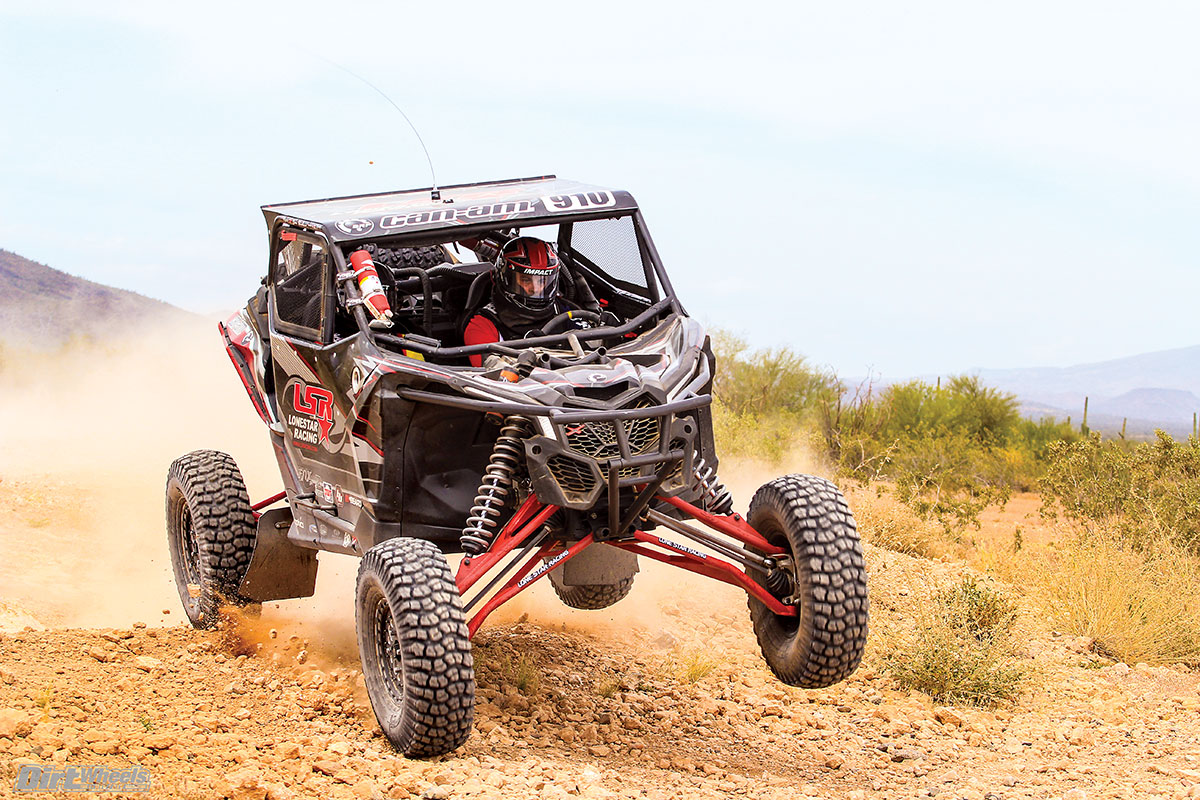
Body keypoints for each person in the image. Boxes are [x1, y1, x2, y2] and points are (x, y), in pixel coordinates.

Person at [463, 236, 582, 367]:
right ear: (506, 278)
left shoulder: (563, 310)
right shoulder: (482, 326)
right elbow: (494, 374)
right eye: (526, 280)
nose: (536, 289)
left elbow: (593, 342)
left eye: (542, 281)